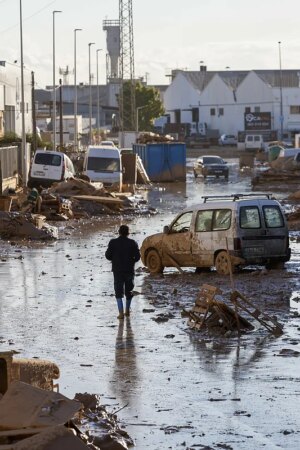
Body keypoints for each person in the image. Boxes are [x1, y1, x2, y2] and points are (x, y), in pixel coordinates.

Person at [105, 225, 140, 319]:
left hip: (117, 270)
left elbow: (108, 256)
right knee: (129, 290)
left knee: (118, 290)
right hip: (129, 270)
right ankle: (127, 311)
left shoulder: (113, 242)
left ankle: (121, 313)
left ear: (119, 232)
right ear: (128, 233)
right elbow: (137, 257)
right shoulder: (133, 243)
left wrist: (114, 258)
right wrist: (131, 260)